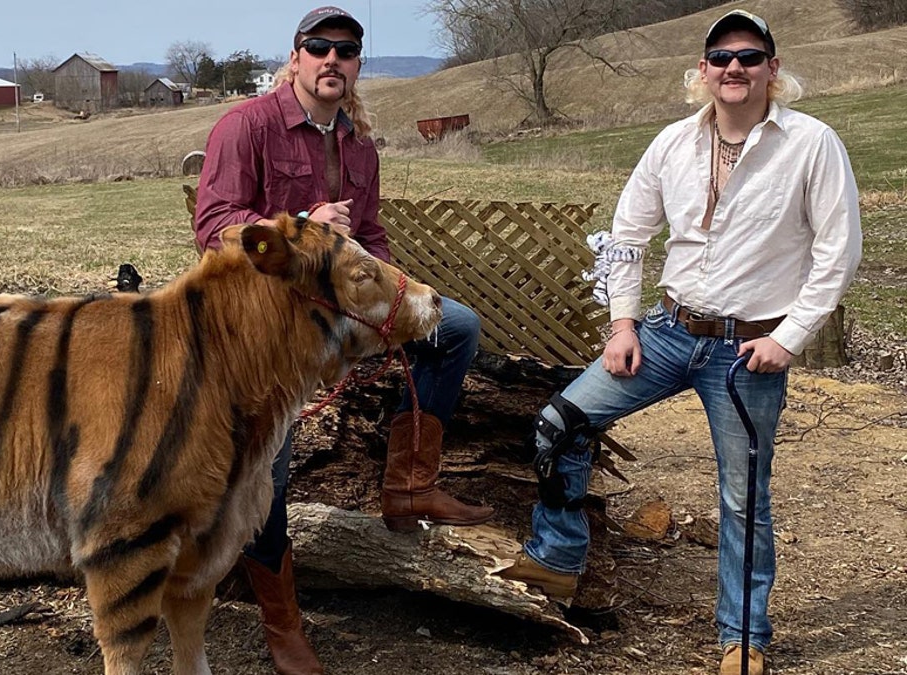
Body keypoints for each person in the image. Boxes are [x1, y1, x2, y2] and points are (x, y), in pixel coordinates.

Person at [500, 10, 862, 675]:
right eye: (721, 57)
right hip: (668, 330)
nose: (734, 68)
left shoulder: (812, 143)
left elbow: (838, 254)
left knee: (742, 496)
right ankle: (557, 558)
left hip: (749, 350)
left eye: (749, 57)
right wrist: (623, 323)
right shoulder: (672, 143)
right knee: (560, 422)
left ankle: (743, 636)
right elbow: (625, 237)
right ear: (702, 71)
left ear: (772, 70)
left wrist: (791, 336)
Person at [194, 6, 494, 673]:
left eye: (347, 49)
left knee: (456, 328)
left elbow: (372, 238)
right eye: (319, 47)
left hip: (338, 314)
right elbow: (215, 226)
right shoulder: (246, 126)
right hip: (264, 327)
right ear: (296, 57)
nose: (333, 58)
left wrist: (398, 293)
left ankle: (408, 484)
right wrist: (300, 224)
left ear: (358, 64)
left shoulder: (358, 140)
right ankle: (281, 621)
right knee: (268, 470)